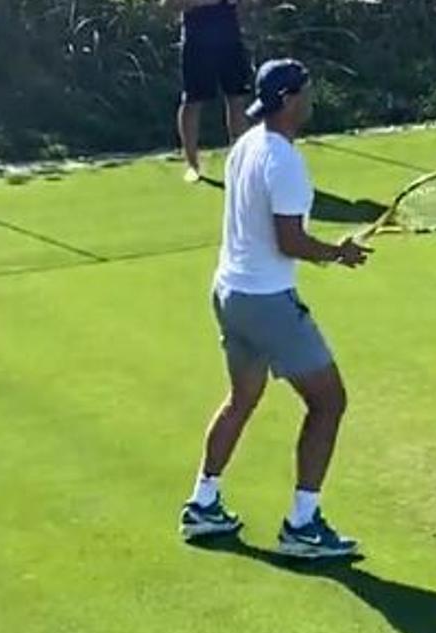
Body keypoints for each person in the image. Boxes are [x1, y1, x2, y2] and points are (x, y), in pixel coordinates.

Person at [179, 58, 372, 559]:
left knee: (242, 398)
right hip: (265, 302)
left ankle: (203, 504)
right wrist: (338, 252)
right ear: (289, 99)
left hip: (228, 294)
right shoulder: (285, 162)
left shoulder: (246, 142)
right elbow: (290, 241)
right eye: (306, 90)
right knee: (329, 402)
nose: (312, 98)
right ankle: (302, 526)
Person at [162, 0, 253, 182]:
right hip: (197, 40)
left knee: (236, 99)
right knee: (192, 101)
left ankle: (241, 162)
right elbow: (169, 5)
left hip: (229, 37)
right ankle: (192, 164)